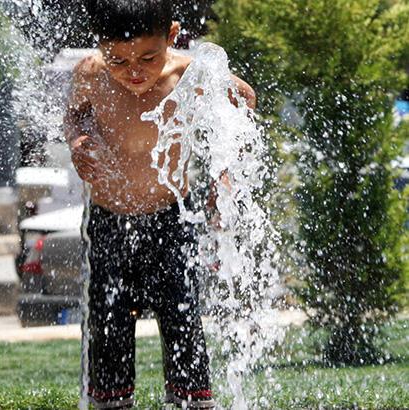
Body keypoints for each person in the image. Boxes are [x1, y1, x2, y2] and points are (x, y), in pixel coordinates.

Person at [65, 1, 256, 408]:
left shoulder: (188, 75)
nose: (134, 70)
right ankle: (112, 400)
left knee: (181, 313)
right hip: (108, 217)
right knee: (108, 317)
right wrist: (79, 141)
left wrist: (226, 173)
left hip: (171, 215)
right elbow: (76, 114)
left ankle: (192, 400)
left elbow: (244, 100)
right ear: (100, 47)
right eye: (118, 59)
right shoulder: (90, 74)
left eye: (148, 57)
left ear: (171, 36)